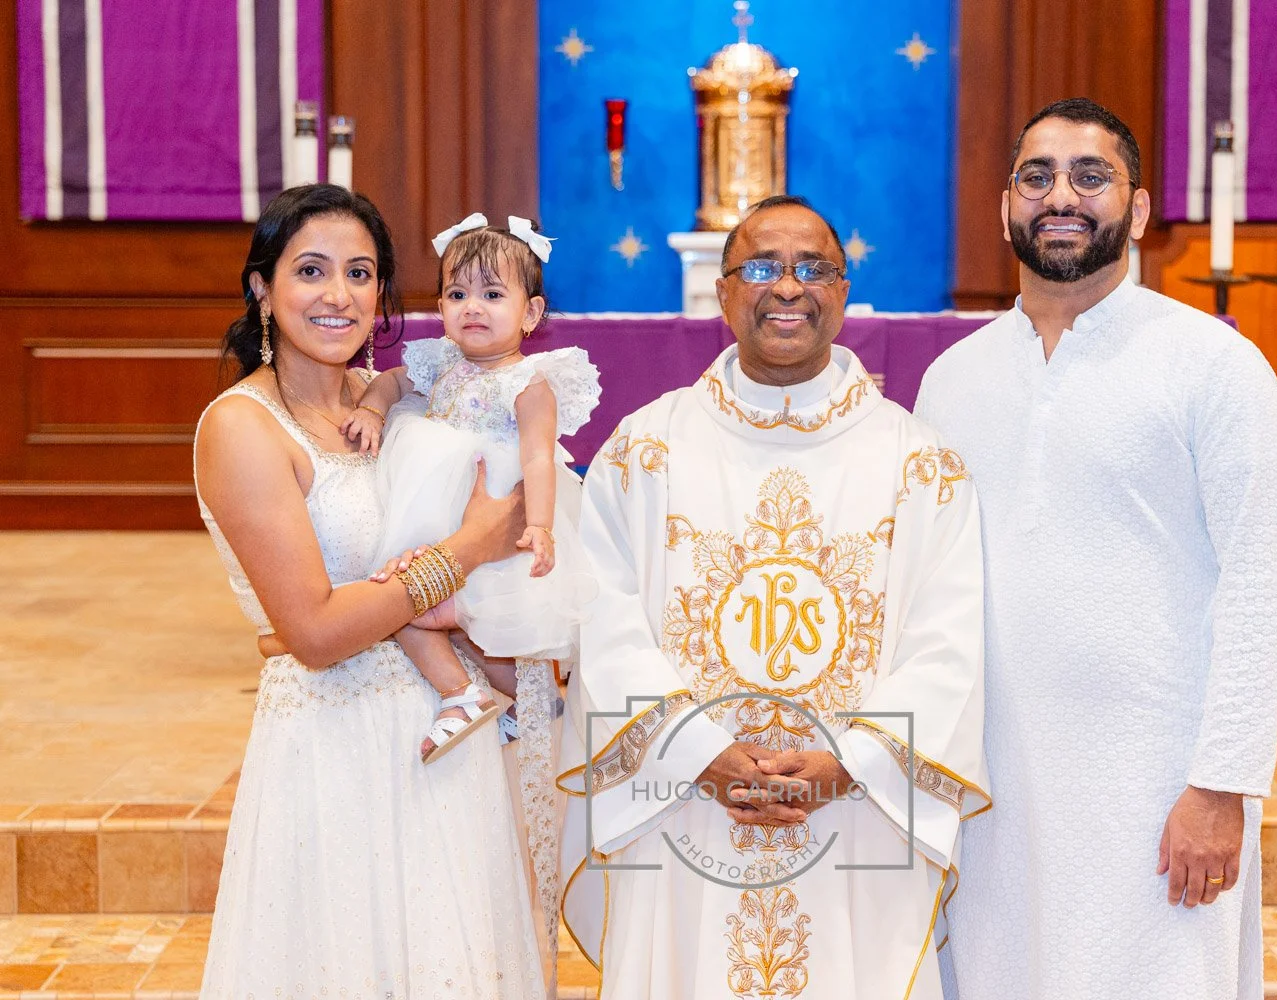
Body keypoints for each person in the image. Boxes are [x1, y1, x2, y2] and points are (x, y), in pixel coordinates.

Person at [556, 195, 990, 1000]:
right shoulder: (644, 452)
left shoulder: (920, 464)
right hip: (684, 803)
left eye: (811, 268)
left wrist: (849, 764)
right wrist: (696, 753)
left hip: (856, 814)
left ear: (845, 288)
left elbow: (949, 638)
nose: (787, 288)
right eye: (761, 267)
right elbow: (600, 616)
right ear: (723, 292)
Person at [917, 98, 1277, 1000]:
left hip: (1154, 780)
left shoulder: (1212, 364)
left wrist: (1222, 784)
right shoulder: (952, 379)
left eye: (1091, 177)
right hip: (993, 781)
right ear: (1005, 205)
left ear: (1136, 209)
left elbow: (1260, 580)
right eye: (1037, 175)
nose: (1062, 195)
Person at [194, 184, 545, 998]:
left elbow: (500, 522)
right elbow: (314, 635)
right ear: (262, 286)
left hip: (446, 731)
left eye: (360, 273)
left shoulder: (402, 400)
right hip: (333, 743)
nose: (338, 295)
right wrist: (464, 551)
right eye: (311, 270)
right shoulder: (242, 428)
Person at [342, 212, 599, 966]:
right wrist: (370, 408)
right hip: (437, 521)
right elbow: (388, 380)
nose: (471, 308)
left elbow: (540, 461)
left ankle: (489, 693)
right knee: (398, 604)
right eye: (457, 292)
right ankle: (464, 694)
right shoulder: (435, 365)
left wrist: (542, 526)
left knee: (432, 609)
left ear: (533, 313)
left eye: (492, 293)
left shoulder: (531, 382)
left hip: (500, 535)